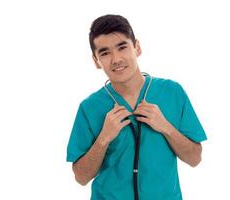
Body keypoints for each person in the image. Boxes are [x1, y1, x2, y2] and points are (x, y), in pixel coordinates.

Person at [66, 14, 207, 200]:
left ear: (137, 47)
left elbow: (195, 159)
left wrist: (166, 127)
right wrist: (103, 138)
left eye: (122, 47)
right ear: (96, 61)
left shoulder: (173, 92)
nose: (116, 59)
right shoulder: (89, 107)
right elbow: (81, 177)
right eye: (105, 53)